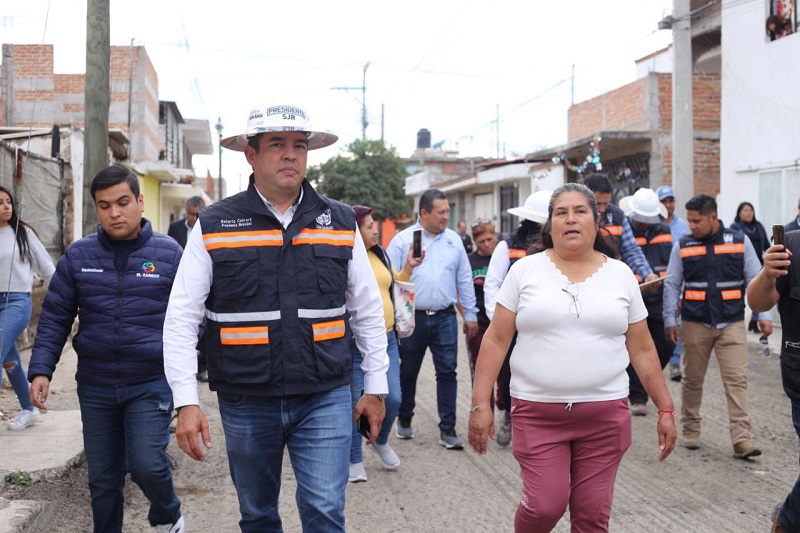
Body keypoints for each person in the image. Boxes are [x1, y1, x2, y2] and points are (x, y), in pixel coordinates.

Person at [162, 104, 389, 532]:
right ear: (251, 154)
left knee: (325, 510)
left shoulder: (339, 222)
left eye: (299, 146)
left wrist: (376, 386)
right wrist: (185, 401)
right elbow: (181, 318)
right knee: (259, 514)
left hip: (324, 394)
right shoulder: (214, 223)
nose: (290, 155)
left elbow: (367, 310)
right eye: (277, 145)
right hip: (246, 398)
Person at [468, 183, 676, 532]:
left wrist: (665, 408)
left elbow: (641, 347)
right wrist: (481, 404)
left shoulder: (620, 275)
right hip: (538, 413)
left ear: (597, 221)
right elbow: (496, 339)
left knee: (592, 515)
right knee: (544, 507)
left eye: (580, 211)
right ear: (549, 225)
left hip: (605, 416)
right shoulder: (524, 271)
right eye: (560, 212)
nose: (570, 219)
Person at [28, 166, 184, 532]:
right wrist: (41, 370)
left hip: (150, 382)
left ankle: (168, 513)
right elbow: (54, 317)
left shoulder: (170, 254)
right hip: (96, 384)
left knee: (147, 463)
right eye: (104, 205)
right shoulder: (79, 256)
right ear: (96, 209)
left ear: (140, 201)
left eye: (123, 202)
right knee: (103, 479)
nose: (114, 212)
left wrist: (186, 371)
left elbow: (193, 317)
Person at [663, 194, 772, 459]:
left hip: (731, 322)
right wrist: (669, 319)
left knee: (737, 381)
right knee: (692, 380)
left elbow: (757, 279)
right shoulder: (683, 244)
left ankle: (741, 439)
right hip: (694, 322)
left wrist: (764, 314)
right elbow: (672, 283)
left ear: (713, 217)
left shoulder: (738, 241)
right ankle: (690, 430)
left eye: (697, 221)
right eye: (689, 221)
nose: (692, 226)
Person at [387, 188, 478, 450]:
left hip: (445, 317)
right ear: (424, 213)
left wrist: (470, 314)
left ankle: (447, 428)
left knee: (448, 371)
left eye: (447, 211)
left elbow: (464, 279)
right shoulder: (403, 240)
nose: (445, 217)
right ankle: (404, 418)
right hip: (411, 316)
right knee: (408, 371)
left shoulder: (454, 241)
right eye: (441, 212)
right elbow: (388, 278)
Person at [348, 205, 422, 483]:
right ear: (355, 231)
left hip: (388, 339)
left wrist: (407, 268)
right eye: (368, 226)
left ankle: (379, 440)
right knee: (358, 403)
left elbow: (394, 284)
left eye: (374, 224)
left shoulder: (379, 255)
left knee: (393, 398)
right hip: (356, 344)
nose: (375, 229)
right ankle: (354, 458)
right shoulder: (348, 259)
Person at [483, 189, 550, 447]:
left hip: (543, 326)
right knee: (509, 375)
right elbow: (493, 285)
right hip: (512, 325)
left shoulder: (556, 249)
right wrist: (497, 320)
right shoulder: (507, 246)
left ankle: (538, 422)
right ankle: (509, 417)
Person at [747, 228, 800, 532]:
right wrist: (767, 275)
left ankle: (789, 518)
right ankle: (788, 520)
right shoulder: (788, 247)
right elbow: (757, 303)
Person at [0, 185, 54, 431]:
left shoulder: (22, 233)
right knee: (10, 360)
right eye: (0, 202)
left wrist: (63, 299)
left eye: (8, 201)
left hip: (17, 302)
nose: (6, 206)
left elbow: (47, 268)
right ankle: (29, 409)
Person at [623, 188, 675, 416]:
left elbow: (671, 264)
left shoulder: (664, 231)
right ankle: (638, 396)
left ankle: (643, 382)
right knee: (634, 348)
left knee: (666, 345)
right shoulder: (623, 233)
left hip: (659, 299)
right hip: (632, 301)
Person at [583, 174, 660, 286]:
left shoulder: (617, 216)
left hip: (612, 283)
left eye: (606, 204)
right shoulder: (573, 219)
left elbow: (631, 250)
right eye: (597, 204)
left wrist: (647, 274)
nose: (602, 209)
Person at [167, 195, 209, 382]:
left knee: (205, 327)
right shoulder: (175, 227)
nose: (193, 218)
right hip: (180, 281)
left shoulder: (210, 226)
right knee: (183, 323)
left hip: (204, 283)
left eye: (197, 214)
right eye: (191, 214)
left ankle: (202, 367)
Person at [656, 185, 690, 382]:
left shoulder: (682, 226)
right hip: (656, 282)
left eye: (671, 201)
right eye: (664, 201)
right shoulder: (653, 225)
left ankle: (675, 362)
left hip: (675, 281)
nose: (668, 205)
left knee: (675, 321)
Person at [730, 201, 770, 333]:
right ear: (739, 213)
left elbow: (767, 245)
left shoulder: (758, 226)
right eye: (745, 210)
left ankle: (755, 319)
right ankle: (740, 318)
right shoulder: (735, 228)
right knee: (741, 293)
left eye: (751, 210)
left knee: (758, 293)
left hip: (757, 266)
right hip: (739, 266)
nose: (749, 213)